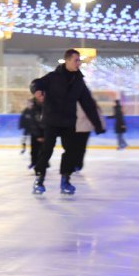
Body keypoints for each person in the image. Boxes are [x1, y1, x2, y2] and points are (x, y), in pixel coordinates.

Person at [30, 49, 105, 196]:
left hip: (69, 121)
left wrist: (97, 125)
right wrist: (36, 90)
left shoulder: (79, 82)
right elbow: (36, 83)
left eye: (79, 61)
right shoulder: (53, 77)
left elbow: (88, 104)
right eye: (76, 60)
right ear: (68, 61)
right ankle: (39, 179)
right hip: (52, 120)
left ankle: (66, 179)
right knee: (47, 150)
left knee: (71, 151)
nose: (79, 63)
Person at [73, 101, 106, 172]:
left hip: (83, 128)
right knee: (77, 148)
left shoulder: (87, 102)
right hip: (75, 128)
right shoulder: (73, 100)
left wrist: (101, 126)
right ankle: (76, 164)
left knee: (79, 148)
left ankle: (77, 164)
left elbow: (97, 114)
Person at [18, 91, 45, 171]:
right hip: (32, 131)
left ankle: (43, 164)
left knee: (42, 149)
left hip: (40, 131)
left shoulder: (44, 107)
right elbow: (25, 120)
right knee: (34, 149)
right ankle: (34, 162)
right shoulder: (28, 111)